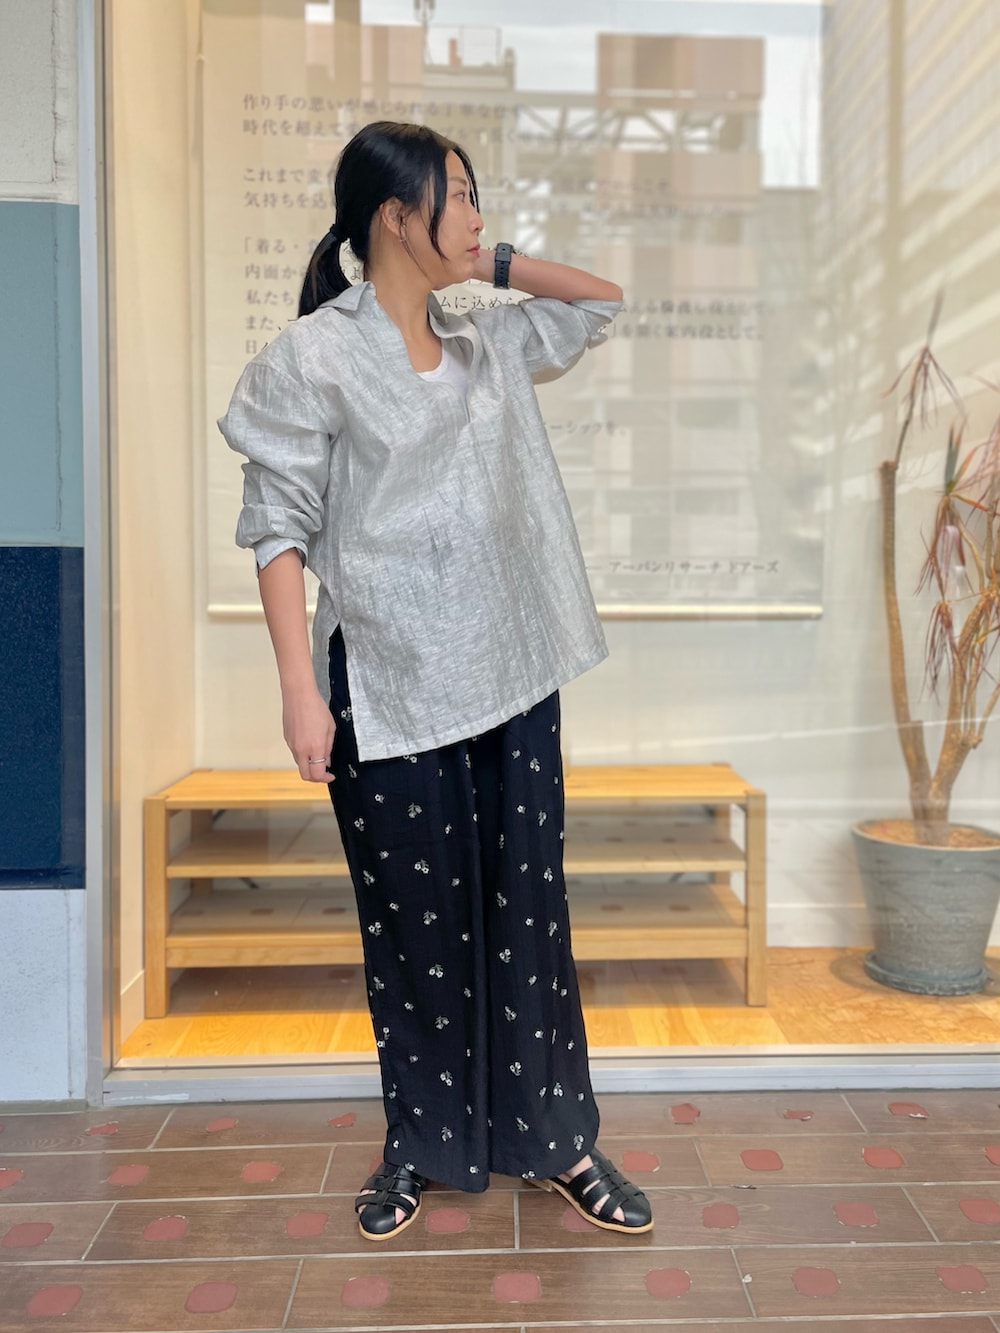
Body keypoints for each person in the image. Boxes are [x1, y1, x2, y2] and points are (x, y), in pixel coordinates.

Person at [219, 120, 652, 1241]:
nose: (474, 214)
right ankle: (418, 1147)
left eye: (473, 195)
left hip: (512, 671)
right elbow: (276, 527)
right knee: (415, 929)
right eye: (456, 196)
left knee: (530, 915)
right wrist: (298, 691)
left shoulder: (485, 336)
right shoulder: (314, 356)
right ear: (393, 214)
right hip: (388, 683)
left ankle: (560, 1142)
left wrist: (490, 262)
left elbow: (600, 303)